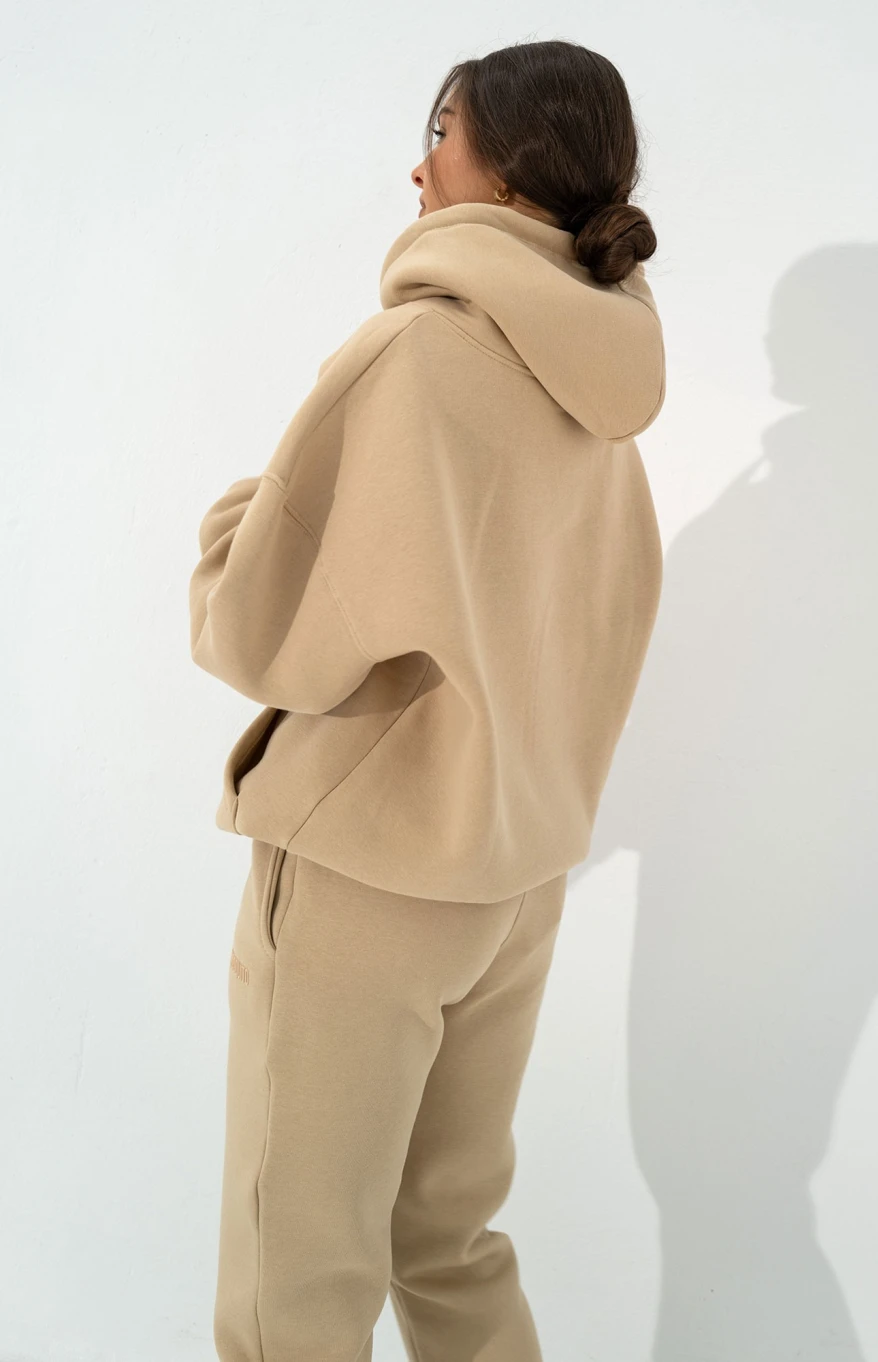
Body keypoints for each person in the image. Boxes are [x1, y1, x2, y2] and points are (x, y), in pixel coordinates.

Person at [188, 37, 666, 1362]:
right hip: (516, 882)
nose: (418, 165)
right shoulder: (606, 396)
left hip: (370, 875)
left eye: (440, 129)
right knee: (447, 1243)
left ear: (507, 164)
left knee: (296, 1280)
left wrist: (233, 521)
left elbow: (260, 632)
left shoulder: (412, 353)